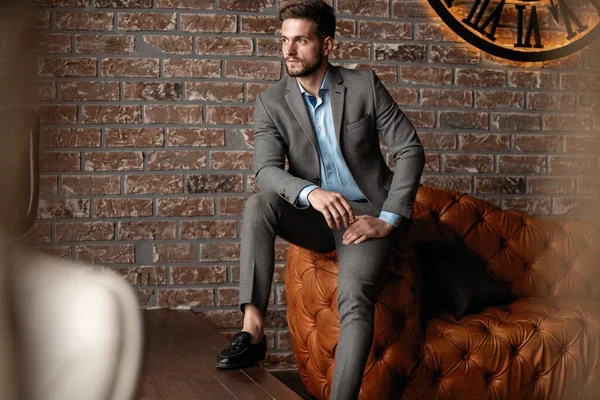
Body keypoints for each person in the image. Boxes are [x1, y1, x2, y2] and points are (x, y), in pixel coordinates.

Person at [216, 1, 425, 398]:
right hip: (314, 214)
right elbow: (265, 170)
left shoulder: (364, 85)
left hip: (365, 215)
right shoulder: (272, 101)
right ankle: (253, 329)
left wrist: (388, 218)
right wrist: (311, 193)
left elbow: (409, 149)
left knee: (353, 299)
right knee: (258, 204)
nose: (288, 51)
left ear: (327, 45)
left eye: (301, 41)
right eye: (284, 41)